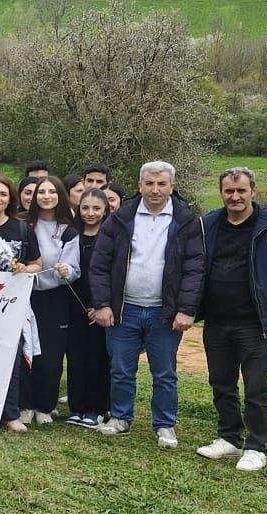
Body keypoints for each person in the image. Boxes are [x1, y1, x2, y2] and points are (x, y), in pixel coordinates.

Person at [194, 167, 267, 473]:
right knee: (221, 383)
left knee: (256, 388)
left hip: (255, 324)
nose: (235, 197)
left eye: (241, 190)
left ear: (253, 191)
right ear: (221, 193)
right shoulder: (208, 225)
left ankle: (257, 447)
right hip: (217, 320)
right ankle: (229, 437)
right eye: (229, 191)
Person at [88, 161, 207, 447]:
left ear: (172, 187)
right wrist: (102, 304)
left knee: (164, 373)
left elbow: (195, 268)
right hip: (124, 309)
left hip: (164, 312)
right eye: (149, 184)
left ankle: (165, 425)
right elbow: (100, 264)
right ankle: (120, 418)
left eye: (162, 184)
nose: (155, 190)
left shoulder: (186, 221)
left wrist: (186, 309)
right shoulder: (121, 218)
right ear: (139, 186)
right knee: (121, 369)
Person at [0, 175, 46, 433]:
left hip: (10, 306)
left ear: (10, 200)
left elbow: (37, 264)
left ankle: (10, 414)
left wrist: (25, 269)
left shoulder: (22, 230)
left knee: (10, 359)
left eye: (3, 194)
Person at [23, 176, 80, 425]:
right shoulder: (24, 225)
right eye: (41, 192)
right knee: (25, 351)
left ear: (60, 196)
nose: (46, 196)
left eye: (51, 192)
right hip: (24, 295)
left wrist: (66, 270)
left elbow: (73, 268)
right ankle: (24, 404)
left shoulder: (69, 229)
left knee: (50, 355)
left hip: (55, 298)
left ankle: (45, 406)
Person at [64, 188, 115, 429]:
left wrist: (102, 305)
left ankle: (97, 409)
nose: (90, 213)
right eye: (85, 208)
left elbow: (114, 275)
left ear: (106, 210)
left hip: (101, 310)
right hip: (75, 308)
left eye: (96, 208)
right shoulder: (72, 236)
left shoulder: (111, 237)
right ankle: (77, 407)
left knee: (98, 360)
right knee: (76, 359)